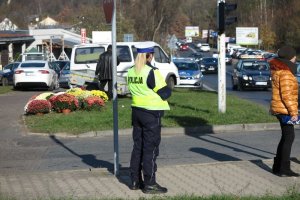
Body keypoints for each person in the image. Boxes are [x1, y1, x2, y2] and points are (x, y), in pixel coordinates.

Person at [127, 42, 171, 194]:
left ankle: (134, 181)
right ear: (150, 55)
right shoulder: (151, 71)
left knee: (137, 147)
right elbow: (165, 92)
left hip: (136, 112)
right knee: (150, 149)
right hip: (151, 114)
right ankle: (150, 183)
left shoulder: (131, 71)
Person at [269, 45, 299, 177]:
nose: (296, 58)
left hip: (280, 108)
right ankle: (284, 169)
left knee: (285, 137)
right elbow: (287, 96)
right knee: (289, 137)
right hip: (284, 109)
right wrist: (294, 113)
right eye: (294, 56)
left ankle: (277, 167)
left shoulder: (279, 70)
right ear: (289, 58)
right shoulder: (286, 73)